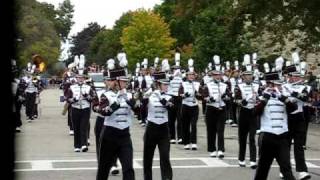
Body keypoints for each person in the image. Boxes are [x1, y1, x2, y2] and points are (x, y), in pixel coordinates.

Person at [96, 60, 135, 180]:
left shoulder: (128, 95)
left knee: (128, 168)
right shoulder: (106, 95)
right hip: (109, 135)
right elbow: (103, 111)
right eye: (123, 81)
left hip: (124, 135)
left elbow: (139, 112)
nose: (126, 83)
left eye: (126, 81)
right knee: (104, 168)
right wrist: (117, 103)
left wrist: (134, 103)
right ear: (116, 82)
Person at [254, 74, 297, 180]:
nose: (279, 87)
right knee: (263, 169)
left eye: (280, 85)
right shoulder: (261, 98)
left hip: (282, 137)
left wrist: (282, 97)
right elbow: (255, 112)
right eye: (277, 85)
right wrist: (265, 99)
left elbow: (293, 108)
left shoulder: (285, 98)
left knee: (286, 168)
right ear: (270, 85)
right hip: (267, 137)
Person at [143, 71, 173, 180]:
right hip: (151, 128)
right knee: (147, 158)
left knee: (165, 157)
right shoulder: (150, 95)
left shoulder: (169, 96)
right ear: (158, 85)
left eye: (167, 84)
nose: (166, 86)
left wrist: (160, 97)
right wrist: (145, 98)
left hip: (163, 130)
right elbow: (140, 110)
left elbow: (170, 107)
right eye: (164, 84)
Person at [179, 59, 201, 150]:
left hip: (194, 106)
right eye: (190, 75)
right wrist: (185, 95)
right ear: (187, 76)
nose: (191, 76)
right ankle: (187, 142)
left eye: (193, 75)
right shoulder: (183, 84)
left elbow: (201, 95)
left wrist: (198, 95)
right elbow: (180, 94)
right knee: (186, 125)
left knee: (194, 125)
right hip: (185, 106)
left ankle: (194, 142)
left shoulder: (197, 84)